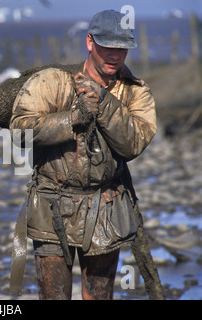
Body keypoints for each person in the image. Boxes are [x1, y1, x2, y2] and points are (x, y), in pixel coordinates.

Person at [10, 10, 157, 299]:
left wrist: (103, 104)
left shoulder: (136, 92)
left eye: (121, 48)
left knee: (99, 296)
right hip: (51, 205)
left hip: (106, 207)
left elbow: (133, 144)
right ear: (90, 42)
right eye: (107, 47)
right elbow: (20, 130)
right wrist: (73, 118)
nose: (114, 55)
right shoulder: (52, 82)